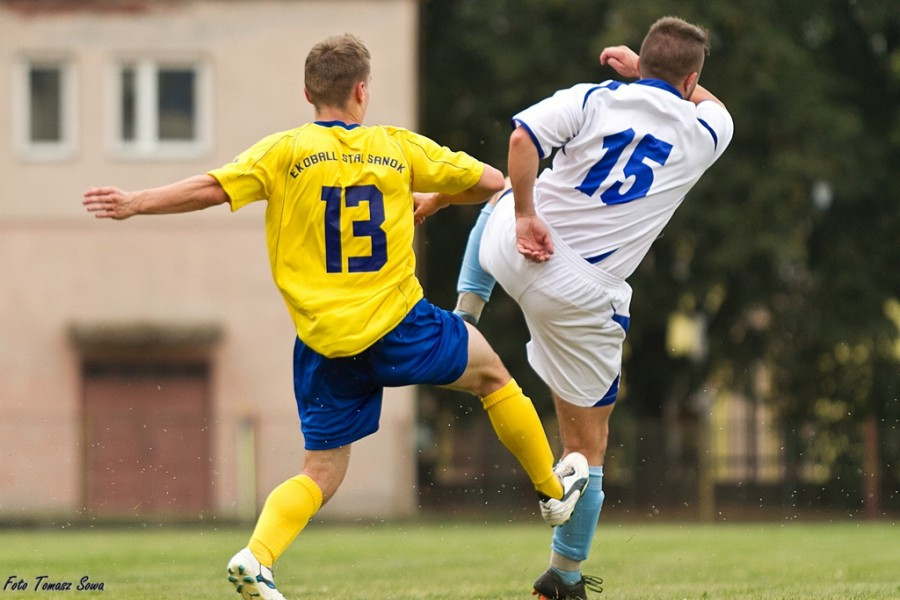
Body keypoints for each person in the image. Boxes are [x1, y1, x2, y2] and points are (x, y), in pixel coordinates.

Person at [83, 34, 590, 600]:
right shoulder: (395, 147)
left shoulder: (284, 152)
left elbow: (209, 188)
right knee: (493, 374)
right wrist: (436, 199)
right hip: (400, 325)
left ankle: (257, 556)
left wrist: (134, 203)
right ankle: (551, 491)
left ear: (307, 93)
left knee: (319, 472)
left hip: (324, 342)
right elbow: (492, 182)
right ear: (361, 90)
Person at [436, 16, 734, 600]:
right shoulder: (707, 130)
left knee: (497, 195)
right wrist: (668, 80)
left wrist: (524, 213)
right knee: (586, 446)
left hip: (517, 242)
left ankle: (462, 319)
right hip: (579, 294)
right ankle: (563, 578)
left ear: (640, 63)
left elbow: (521, 141)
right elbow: (711, 102)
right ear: (692, 77)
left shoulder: (592, 98)